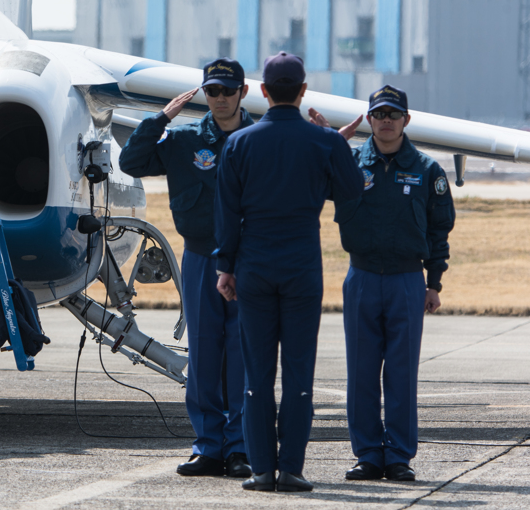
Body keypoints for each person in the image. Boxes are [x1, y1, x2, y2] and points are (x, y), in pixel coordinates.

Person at [214, 52, 363, 493]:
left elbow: (226, 212)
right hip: (301, 263)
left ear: (262, 90)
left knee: (257, 373)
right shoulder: (324, 142)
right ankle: (292, 468)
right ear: (302, 91)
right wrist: (333, 144)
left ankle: (261, 470)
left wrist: (225, 266)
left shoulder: (239, 143)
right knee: (299, 372)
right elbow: (352, 191)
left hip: (255, 264)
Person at [309, 85, 455, 483]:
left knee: (402, 373)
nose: (386, 121)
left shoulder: (428, 170)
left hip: (408, 279)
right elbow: (311, 187)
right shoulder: (350, 163)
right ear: (369, 120)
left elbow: (440, 229)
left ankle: (399, 456)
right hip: (362, 278)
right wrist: (328, 146)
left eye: (393, 114)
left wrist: (434, 282)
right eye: (379, 114)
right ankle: (369, 454)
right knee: (361, 371)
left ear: (406, 120)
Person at [118, 58, 254, 479]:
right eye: (212, 91)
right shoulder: (184, 140)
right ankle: (208, 446)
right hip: (200, 257)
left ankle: (240, 446)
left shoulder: (259, 140)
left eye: (227, 91)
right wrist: (158, 120)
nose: (220, 99)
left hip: (249, 260)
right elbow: (132, 163)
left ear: (242, 93)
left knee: (242, 353)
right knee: (206, 353)